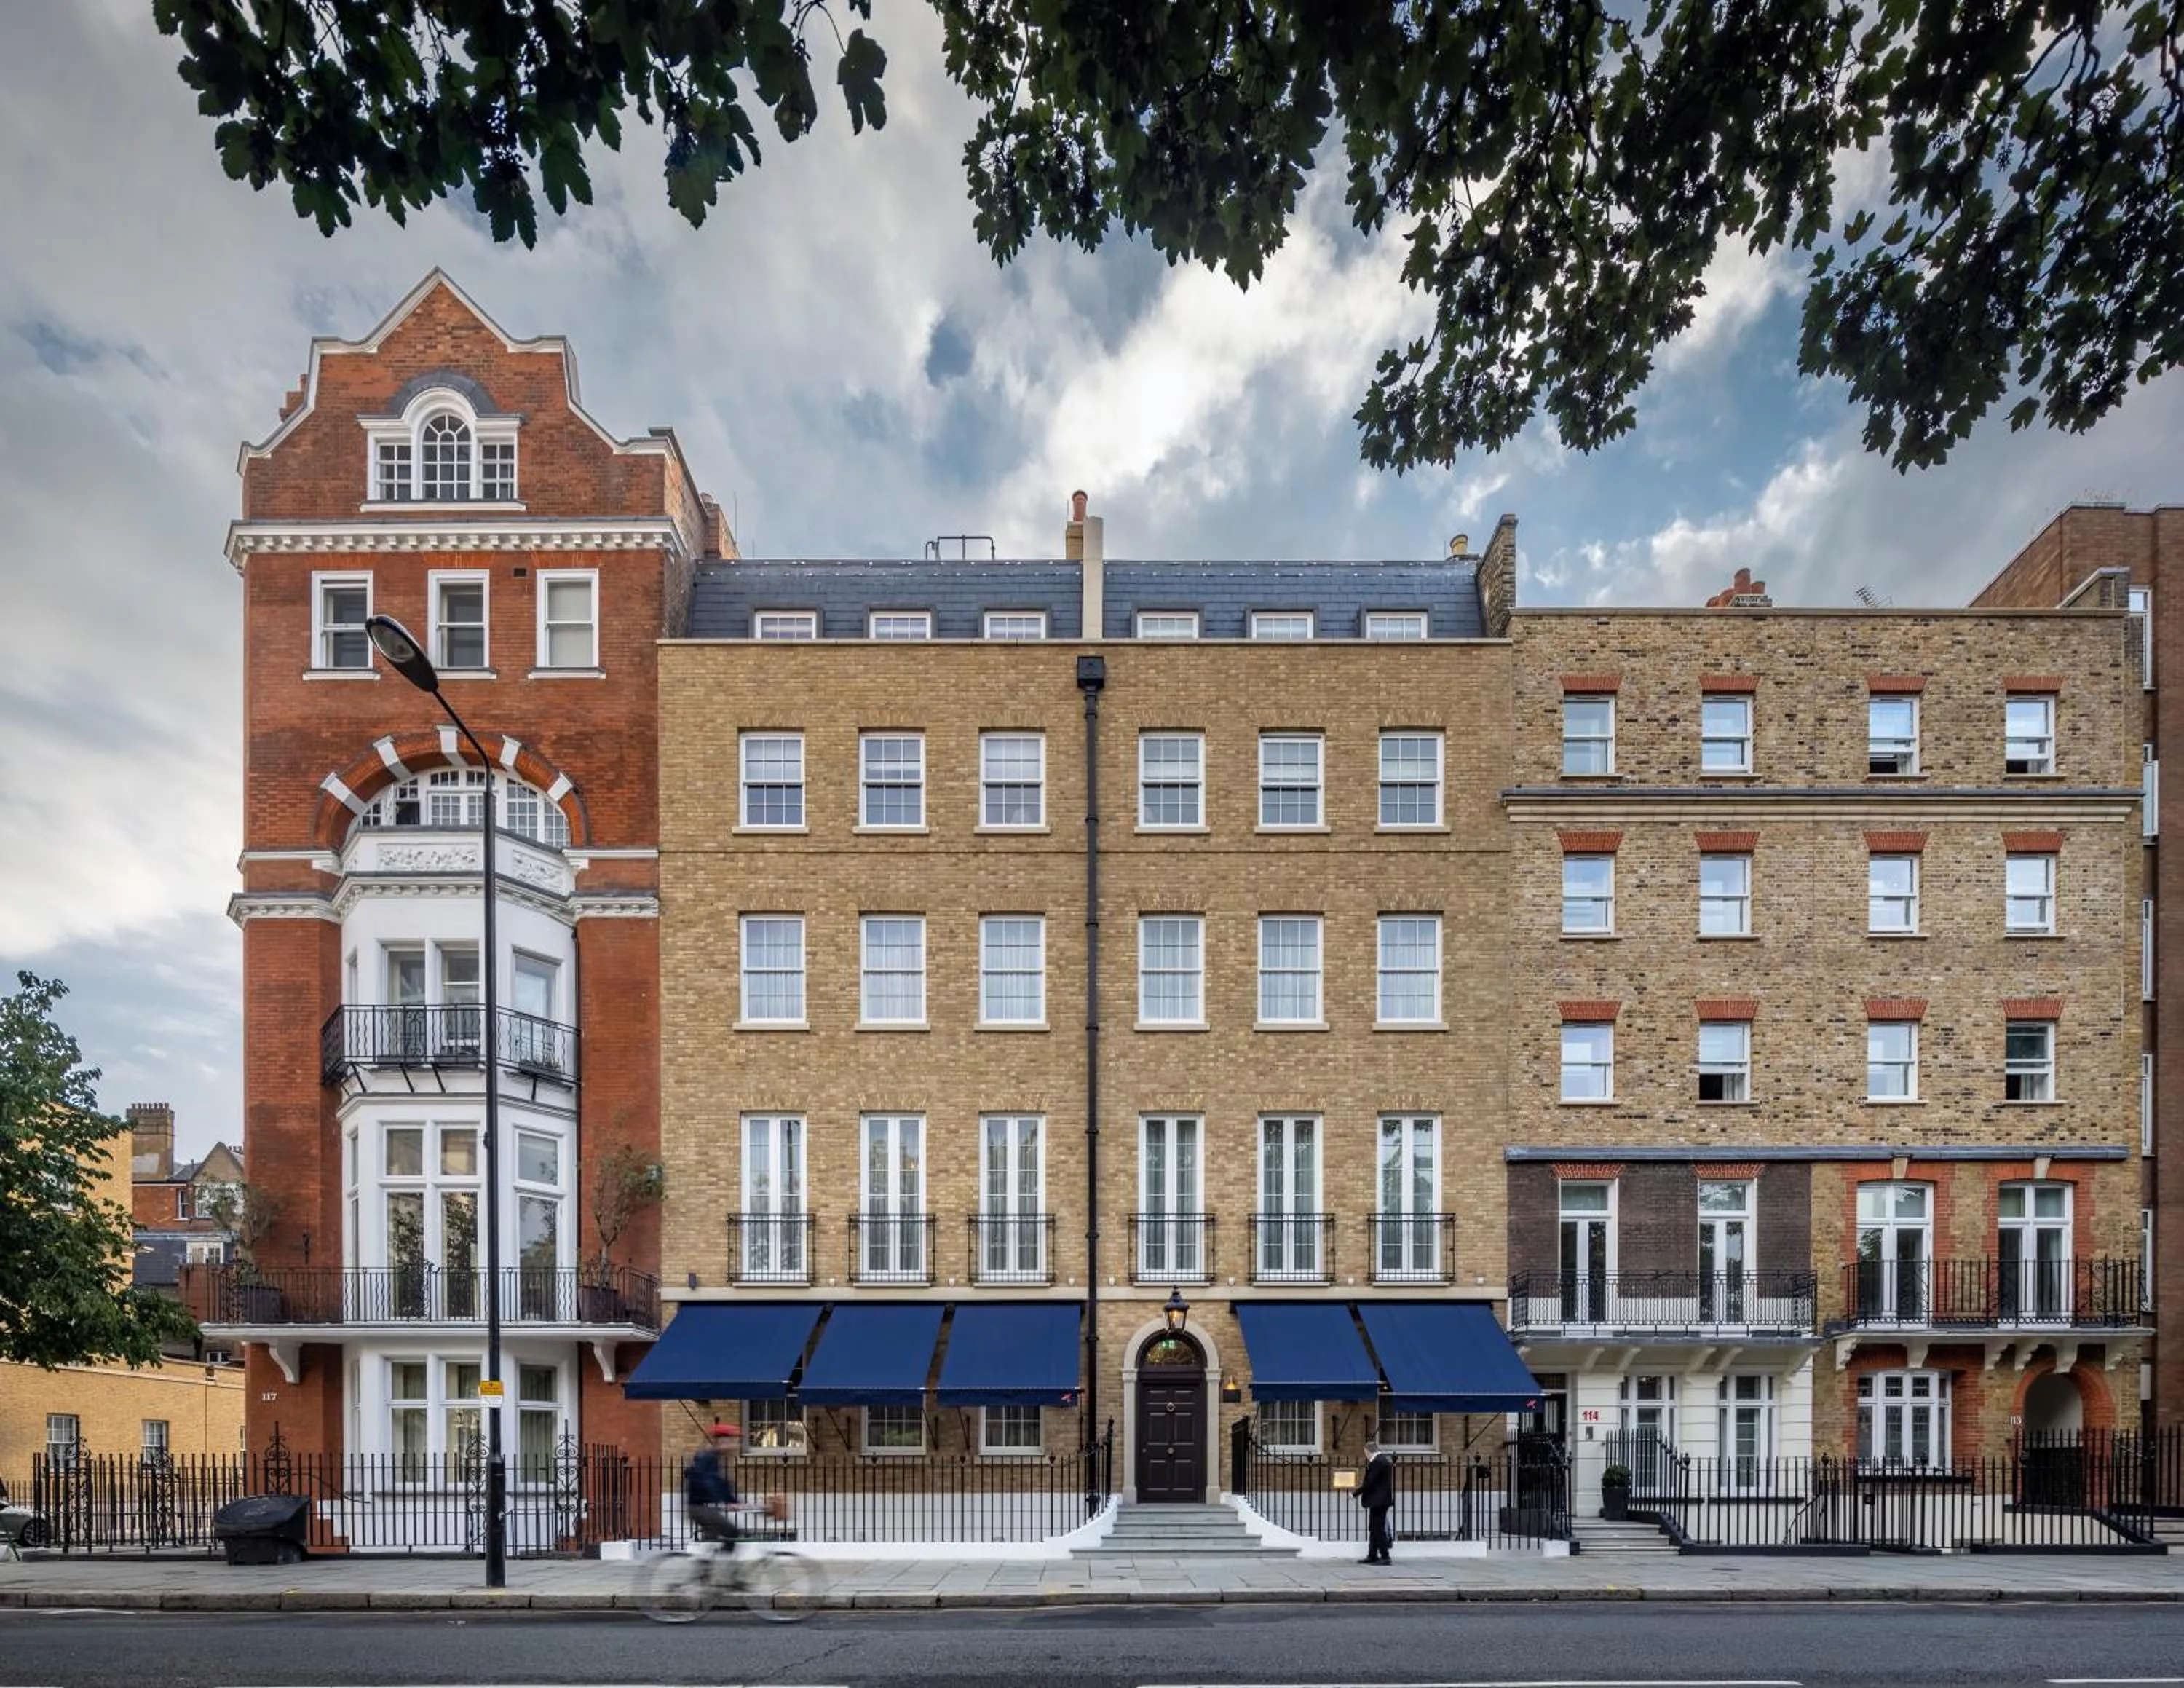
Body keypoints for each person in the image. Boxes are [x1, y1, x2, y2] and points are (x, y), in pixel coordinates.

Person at [683, 1421, 749, 1546]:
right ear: (721, 1442)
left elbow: (723, 1484)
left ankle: (707, 1563)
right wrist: (726, 1501)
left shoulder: (716, 1458)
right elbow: (711, 1482)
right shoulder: (707, 1457)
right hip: (700, 1508)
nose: (735, 1445)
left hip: (705, 1507)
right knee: (732, 1532)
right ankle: (724, 1565)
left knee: (713, 1538)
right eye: (732, 1441)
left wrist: (734, 1501)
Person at [1358, 1437, 1396, 1564]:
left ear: (1368, 1451)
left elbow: (1370, 1482)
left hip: (1378, 1501)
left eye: (1365, 1453)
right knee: (1374, 1528)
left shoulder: (1378, 1462)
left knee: (1378, 1529)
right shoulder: (1382, 1461)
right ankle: (1372, 1554)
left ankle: (1385, 1556)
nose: (1366, 1456)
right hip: (1380, 1500)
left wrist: (1356, 1493)